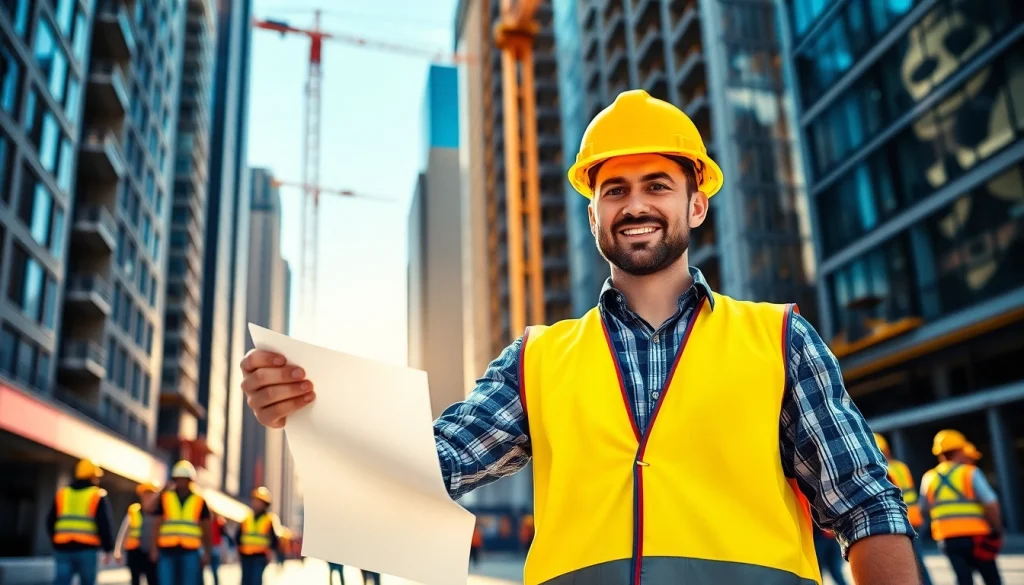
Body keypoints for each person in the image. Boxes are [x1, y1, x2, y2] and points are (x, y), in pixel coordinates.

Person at [239, 89, 922, 585]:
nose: (635, 204)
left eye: (657, 183)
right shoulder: (538, 358)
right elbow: (430, 460)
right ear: (594, 211)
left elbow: (864, 502)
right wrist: (306, 407)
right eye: (614, 189)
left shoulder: (779, 338)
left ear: (696, 202)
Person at [920, 430, 1003, 585]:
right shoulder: (970, 472)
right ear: (959, 449)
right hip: (977, 536)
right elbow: (991, 503)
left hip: (947, 538)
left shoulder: (929, 477)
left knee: (963, 579)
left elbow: (924, 508)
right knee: (992, 578)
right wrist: (997, 528)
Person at [874, 433, 934, 585]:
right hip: (914, 517)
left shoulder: (883, 470)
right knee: (917, 560)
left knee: (911, 562)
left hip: (902, 519)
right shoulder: (900, 466)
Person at [47, 459, 115, 585]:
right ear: (92, 477)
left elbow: (50, 521)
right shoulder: (97, 495)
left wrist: (56, 540)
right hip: (86, 549)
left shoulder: (63, 493)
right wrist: (108, 549)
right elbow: (104, 524)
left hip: (62, 548)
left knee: (61, 582)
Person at [150, 461, 212, 585]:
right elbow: (156, 524)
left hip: (190, 552)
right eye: (178, 479)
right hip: (167, 551)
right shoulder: (165, 497)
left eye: (184, 479)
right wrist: (153, 549)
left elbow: (206, 528)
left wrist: (207, 552)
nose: (181, 482)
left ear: (190, 480)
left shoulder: (199, 500)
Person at [114, 482, 160, 585]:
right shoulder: (134, 511)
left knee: (153, 580)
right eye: (146, 494)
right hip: (134, 552)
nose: (148, 497)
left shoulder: (159, 514)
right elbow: (124, 531)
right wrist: (118, 550)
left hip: (151, 553)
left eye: (151, 494)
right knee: (135, 580)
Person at [235, 486, 280, 585]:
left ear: (265, 504)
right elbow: (238, 536)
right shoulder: (247, 518)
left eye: (259, 501)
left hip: (260, 557)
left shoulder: (269, 519)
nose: (256, 503)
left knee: (255, 581)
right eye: (255, 500)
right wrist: (238, 551)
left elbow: (274, 539)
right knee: (245, 581)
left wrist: (270, 553)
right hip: (245, 555)